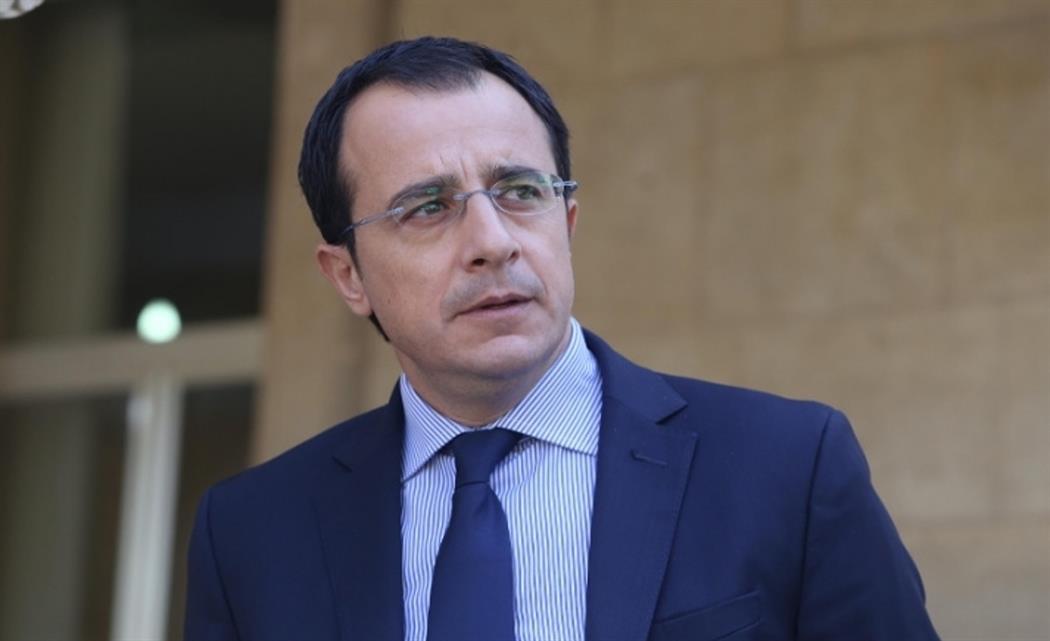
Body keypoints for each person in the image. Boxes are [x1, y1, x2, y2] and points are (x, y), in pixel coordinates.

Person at [184, 37, 940, 641]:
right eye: (427, 207)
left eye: (521, 192)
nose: (493, 241)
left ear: (567, 222)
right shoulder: (252, 534)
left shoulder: (788, 468)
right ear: (348, 275)